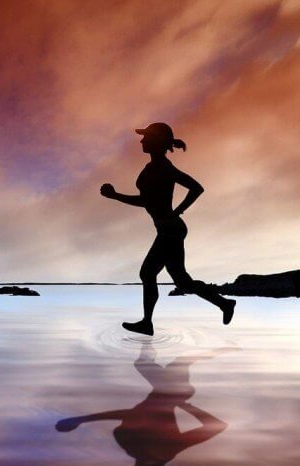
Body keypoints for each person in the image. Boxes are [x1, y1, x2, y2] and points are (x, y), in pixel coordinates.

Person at [55, 343, 229, 466]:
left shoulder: (158, 453)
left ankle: (150, 340)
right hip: (172, 389)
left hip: (173, 392)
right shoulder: (157, 450)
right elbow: (216, 425)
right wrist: (182, 404)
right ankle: (219, 347)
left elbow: (131, 415)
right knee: (174, 361)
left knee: (171, 361)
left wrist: (82, 420)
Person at [100, 122, 235, 335]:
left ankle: (147, 323)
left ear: (156, 141)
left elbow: (190, 190)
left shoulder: (162, 167)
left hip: (170, 230)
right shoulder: (155, 166)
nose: (142, 141)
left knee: (147, 273)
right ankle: (225, 304)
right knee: (182, 281)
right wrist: (117, 196)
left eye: (146, 137)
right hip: (169, 229)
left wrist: (177, 211)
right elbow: (154, 199)